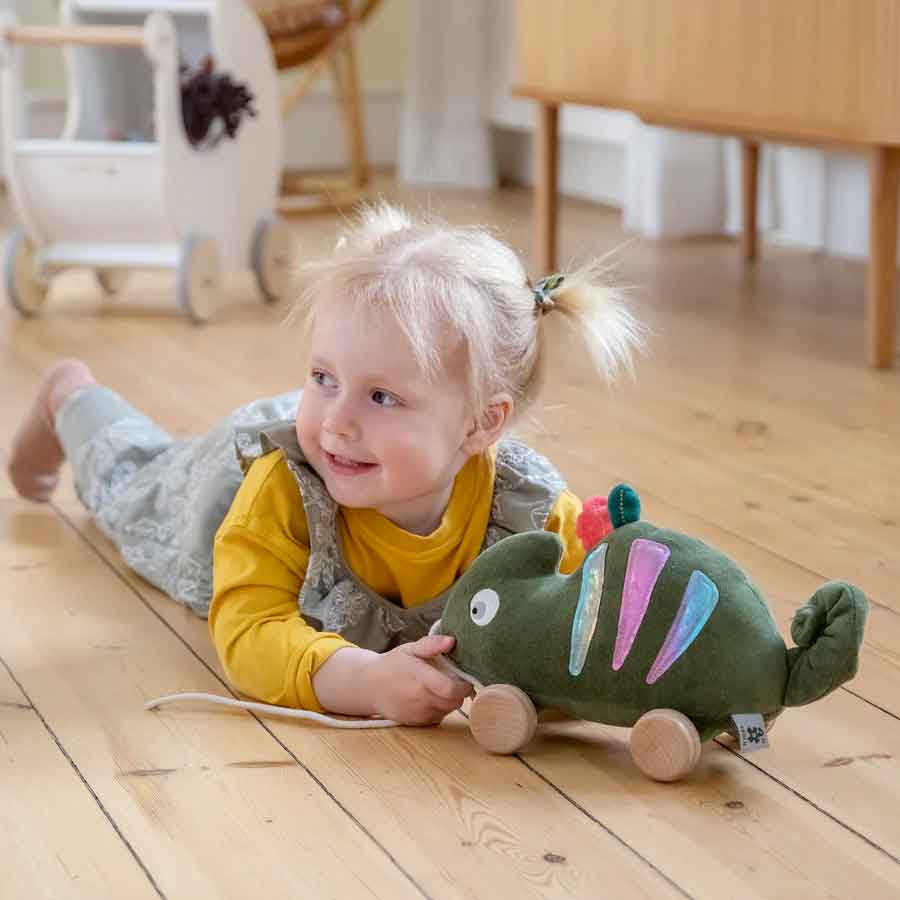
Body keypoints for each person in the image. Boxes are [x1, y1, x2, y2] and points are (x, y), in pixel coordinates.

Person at [7, 203, 644, 726]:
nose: (337, 417)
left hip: (348, 464)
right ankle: (70, 394)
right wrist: (366, 682)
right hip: (216, 496)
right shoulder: (283, 487)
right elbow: (250, 630)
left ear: (482, 423)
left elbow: (586, 628)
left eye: (382, 396)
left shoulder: (530, 510)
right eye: (322, 376)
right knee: (132, 479)